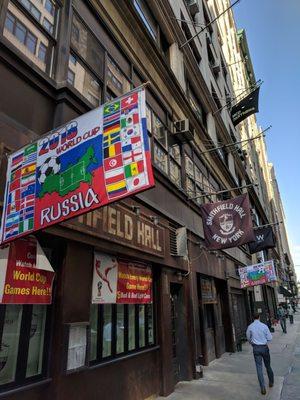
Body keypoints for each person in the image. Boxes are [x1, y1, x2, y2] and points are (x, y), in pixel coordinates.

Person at [246, 313, 274, 395]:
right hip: (264, 347)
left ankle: (263, 388)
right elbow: (270, 338)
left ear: (253, 318)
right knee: (268, 365)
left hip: (256, 348)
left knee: (259, 368)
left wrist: (252, 343)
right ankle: (271, 382)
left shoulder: (250, 327)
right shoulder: (264, 326)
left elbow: (248, 337)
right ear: (259, 317)